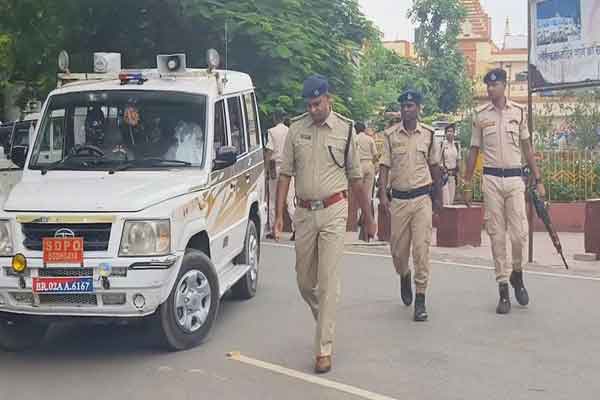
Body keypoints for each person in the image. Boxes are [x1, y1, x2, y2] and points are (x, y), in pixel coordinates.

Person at [274, 75, 376, 374]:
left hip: (334, 211)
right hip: (304, 214)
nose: (314, 109)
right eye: (309, 105)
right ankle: (326, 318)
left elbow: (356, 180)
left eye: (317, 104)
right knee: (305, 282)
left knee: (328, 280)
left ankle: (323, 349)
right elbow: (284, 175)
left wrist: (368, 219)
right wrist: (279, 214)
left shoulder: (345, 131)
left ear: (328, 99)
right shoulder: (296, 129)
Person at [463, 68, 546, 314]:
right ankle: (503, 288)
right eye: (488, 85)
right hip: (491, 180)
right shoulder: (480, 116)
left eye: (494, 85)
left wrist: (538, 179)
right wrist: (467, 184)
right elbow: (473, 151)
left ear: (504, 86)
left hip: (514, 179)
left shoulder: (518, 113)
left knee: (520, 234)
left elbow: (527, 148)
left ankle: (517, 273)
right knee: (497, 235)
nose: (490, 89)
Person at [378, 89, 442, 322]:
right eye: (404, 106)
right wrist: (383, 196)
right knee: (398, 251)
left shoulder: (428, 134)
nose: (407, 109)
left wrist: (439, 198)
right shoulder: (390, 135)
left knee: (421, 250)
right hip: (399, 201)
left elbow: (434, 166)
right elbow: (384, 166)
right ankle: (404, 274)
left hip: (422, 199)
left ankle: (421, 299)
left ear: (418, 108)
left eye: (411, 105)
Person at [265, 115, 296, 240]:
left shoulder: (272, 131)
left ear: (274, 119)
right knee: (290, 200)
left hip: (275, 167)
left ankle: (274, 230)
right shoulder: (290, 131)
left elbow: (269, 151)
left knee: (272, 199)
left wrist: (266, 168)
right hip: (288, 168)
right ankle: (296, 230)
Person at [355, 121, 379, 202]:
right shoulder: (370, 139)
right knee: (368, 192)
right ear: (364, 129)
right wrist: (375, 166)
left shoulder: (354, 139)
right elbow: (375, 155)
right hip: (369, 164)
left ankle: (358, 211)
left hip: (357, 166)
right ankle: (366, 212)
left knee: (357, 192)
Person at [441, 123, 461, 205]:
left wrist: (459, 177)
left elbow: (458, 161)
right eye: (448, 131)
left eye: (451, 131)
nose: (450, 133)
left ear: (454, 133)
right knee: (446, 201)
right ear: (445, 133)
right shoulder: (442, 145)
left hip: (453, 176)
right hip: (444, 177)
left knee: (451, 200)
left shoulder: (456, 145)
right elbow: (438, 161)